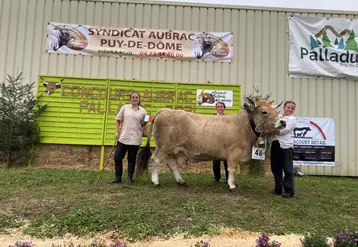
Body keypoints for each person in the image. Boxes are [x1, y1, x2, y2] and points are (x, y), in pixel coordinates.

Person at [109, 91, 147, 185]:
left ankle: (129, 179)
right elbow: (118, 119)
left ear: (139, 99)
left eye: (136, 97)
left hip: (135, 138)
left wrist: (145, 121)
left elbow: (144, 124)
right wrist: (117, 131)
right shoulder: (125, 108)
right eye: (133, 97)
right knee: (117, 157)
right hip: (123, 137)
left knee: (131, 158)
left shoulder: (143, 111)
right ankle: (118, 177)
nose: (134, 99)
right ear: (130, 99)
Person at [264, 100, 297, 198]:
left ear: (294, 110)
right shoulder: (279, 117)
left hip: (286, 146)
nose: (290, 109)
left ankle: (289, 191)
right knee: (275, 168)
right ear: (284, 107)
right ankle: (278, 189)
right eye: (288, 107)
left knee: (287, 169)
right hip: (275, 144)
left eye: (292, 108)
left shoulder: (292, 119)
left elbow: (284, 131)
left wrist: (269, 132)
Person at [212, 101, 229, 183]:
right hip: (215, 141)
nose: (220, 108)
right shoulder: (212, 118)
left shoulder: (228, 118)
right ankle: (217, 178)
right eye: (218, 106)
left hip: (226, 141)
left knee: (227, 160)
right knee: (216, 160)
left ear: (224, 108)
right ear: (216, 108)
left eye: (221, 106)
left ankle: (228, 178)